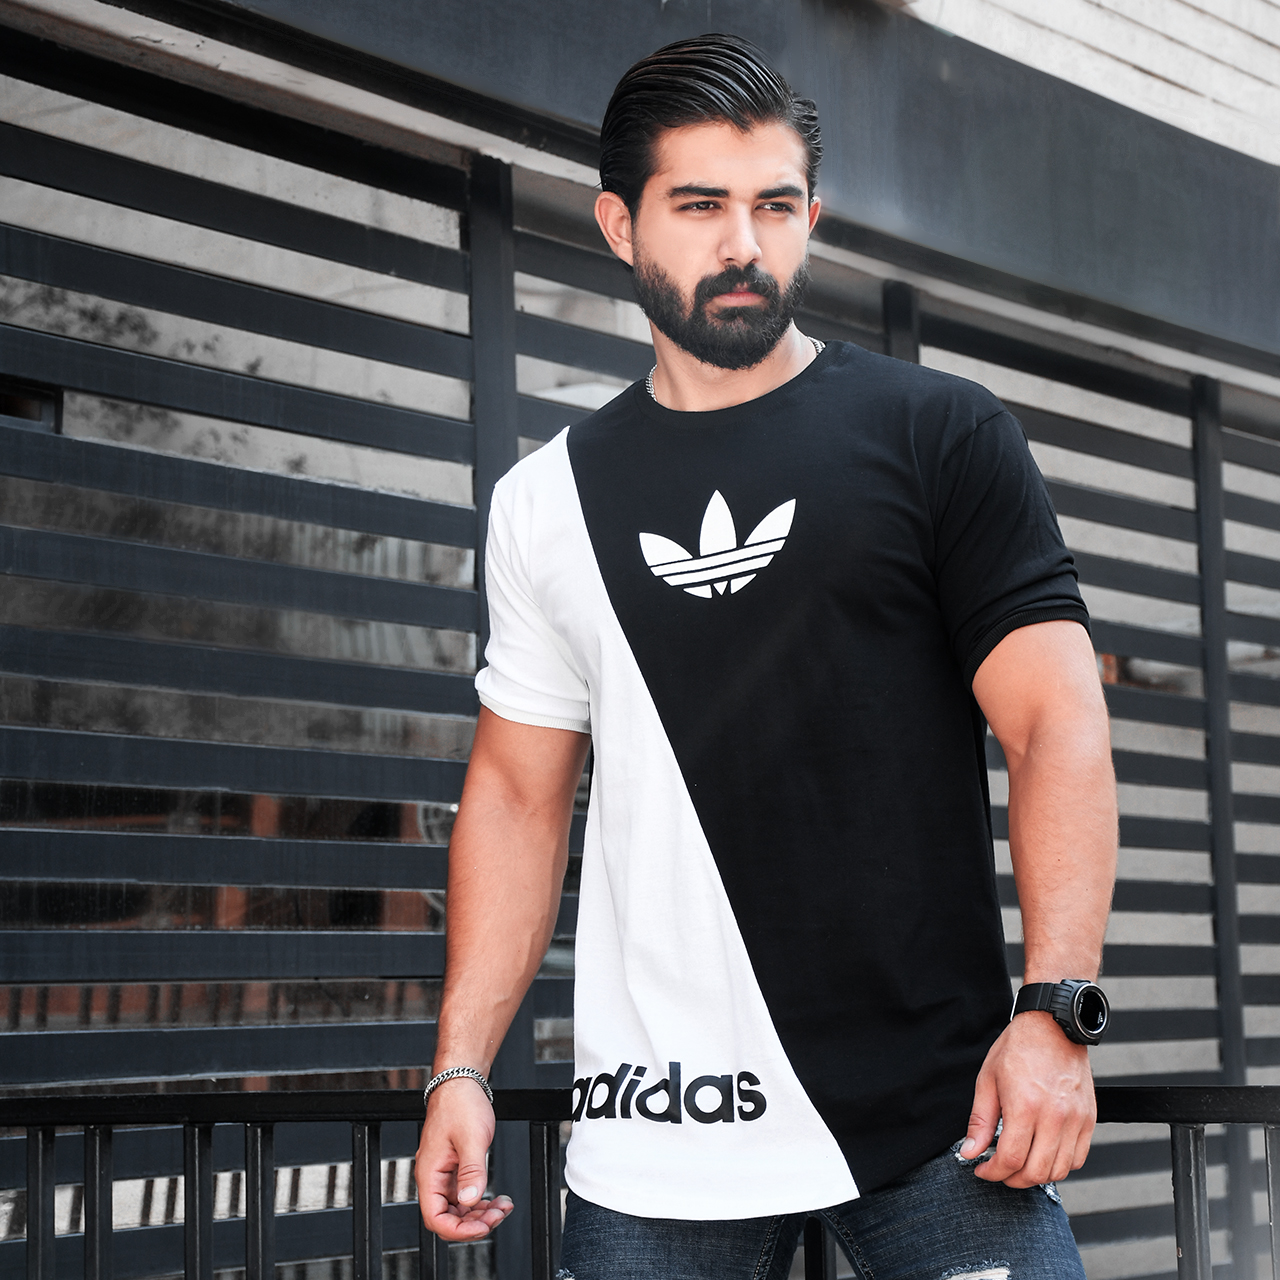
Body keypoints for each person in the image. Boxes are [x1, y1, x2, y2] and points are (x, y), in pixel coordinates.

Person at [415, 32, 1118, 1280]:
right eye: (699, 206)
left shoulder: (939, 433)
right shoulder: (542, 501)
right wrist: (460, 1063)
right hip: (656, 1128)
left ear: (809, 221)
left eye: (774, 206)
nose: (742, 243)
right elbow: (518, 795)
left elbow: (1052, 723)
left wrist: (1054, 1012)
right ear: (620, 226)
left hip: (938, 1113)